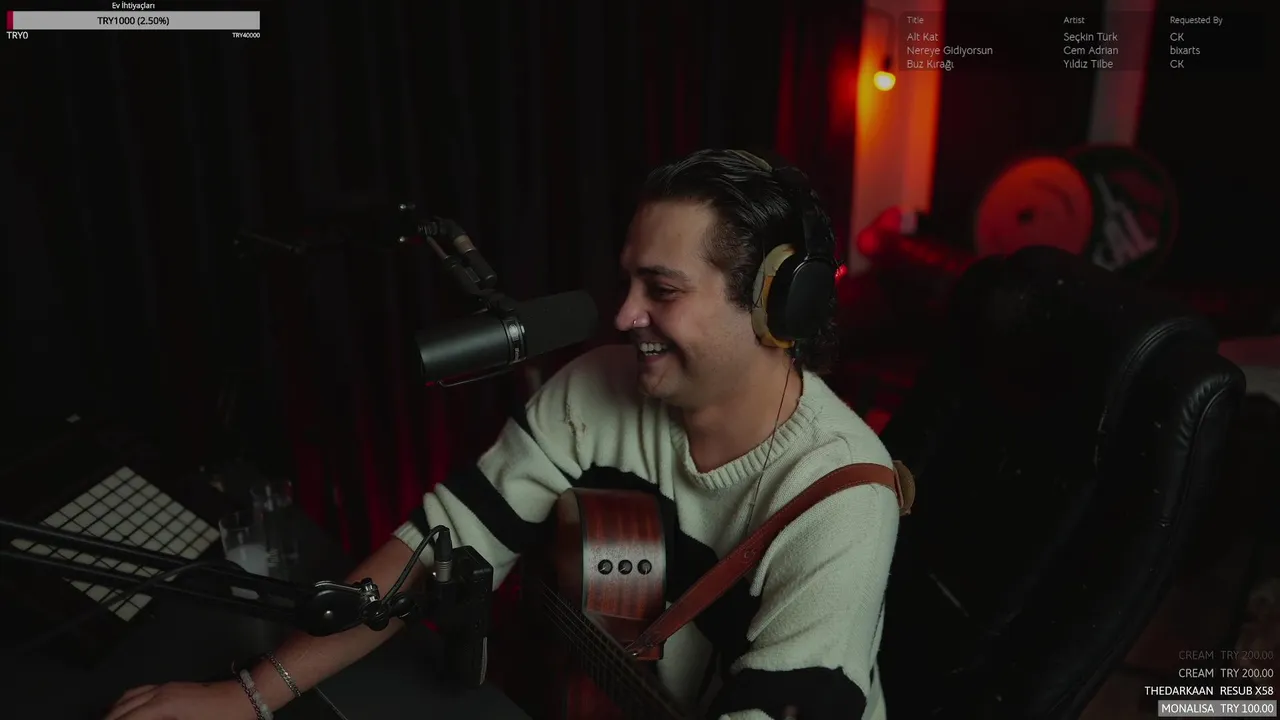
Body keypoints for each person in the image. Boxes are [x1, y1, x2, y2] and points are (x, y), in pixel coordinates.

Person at [105, 149, 902, 720]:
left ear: (775, 307)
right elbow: (437, 544)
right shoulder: (595, 389)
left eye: (661, 290)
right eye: (627, 280)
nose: (624, 314)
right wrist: (246, 697)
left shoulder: (840, 499)